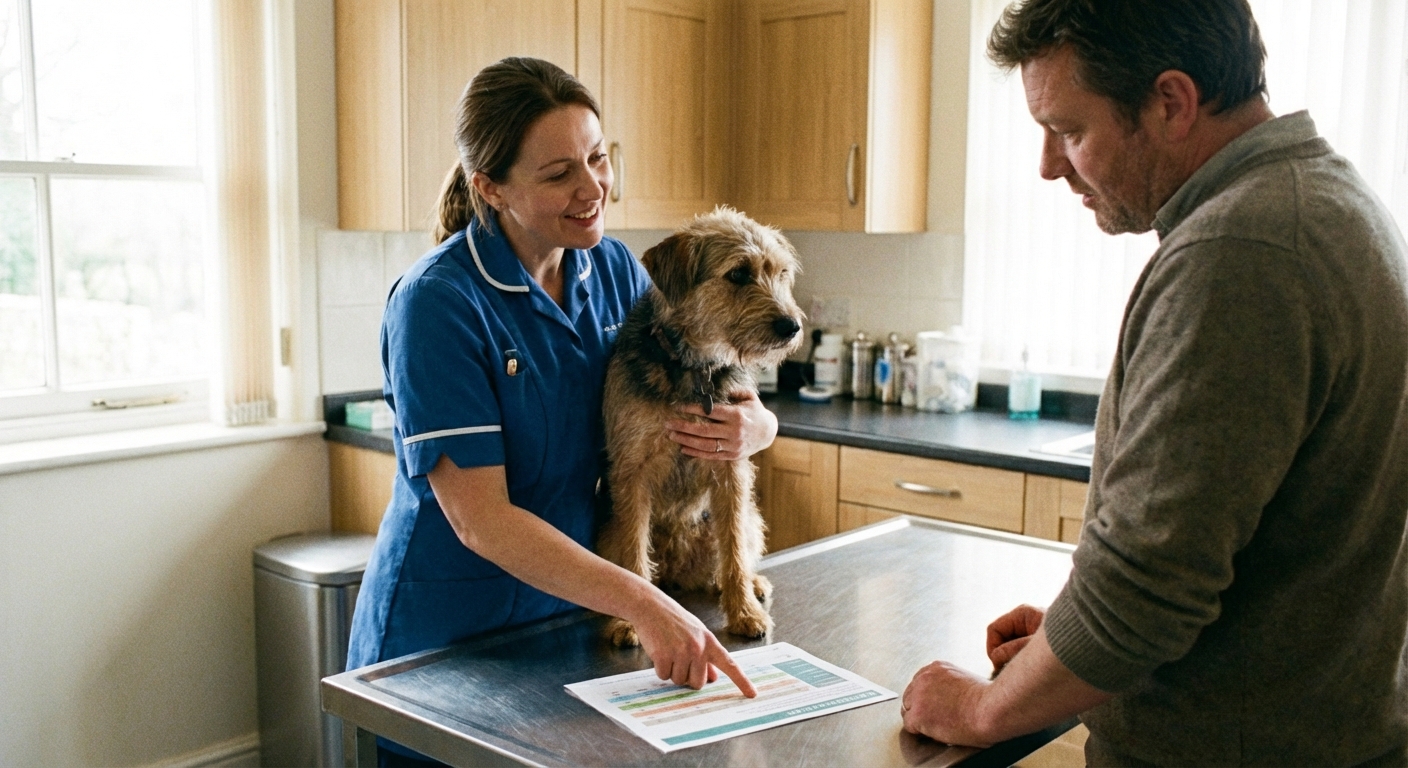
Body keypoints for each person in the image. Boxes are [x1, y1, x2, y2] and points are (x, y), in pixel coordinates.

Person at [899, 1, 1408, 765]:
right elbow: (1255, 548)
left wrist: (981, 707)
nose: (1048, 164)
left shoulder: (1242, 250)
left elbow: (1143, 592)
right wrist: (1065, 654)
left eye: (1070, 131)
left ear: (1171, 101)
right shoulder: (1327, 201)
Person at [346, 57, 775, 765]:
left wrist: (756, 428)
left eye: (598, 159)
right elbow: (478, 517)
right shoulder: (438, 304)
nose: (592, 189)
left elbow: (713, 375)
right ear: (490, 186)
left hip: (568, 612)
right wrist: (644, 600)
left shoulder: (613, 269)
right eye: (558, 175)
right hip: (447, 634)